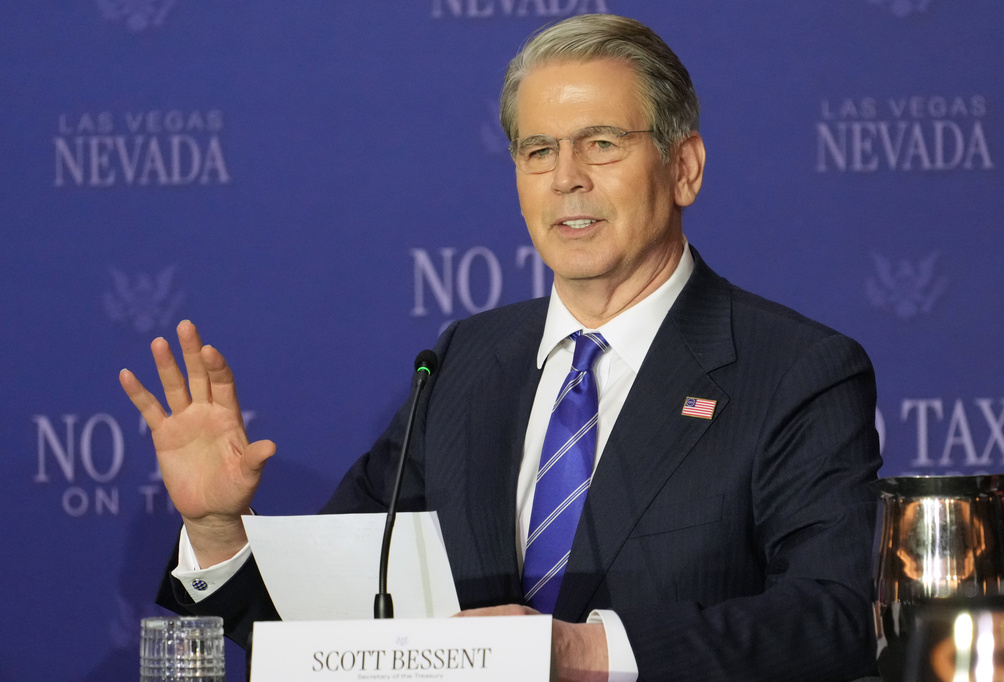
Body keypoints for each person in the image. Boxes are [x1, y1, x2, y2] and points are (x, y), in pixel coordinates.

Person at [120, 14, 882, 682]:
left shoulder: (796, 371)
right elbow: (325, 636)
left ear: (684, 168)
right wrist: (218, 531)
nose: (567, 179)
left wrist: (581, 653)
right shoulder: (463, 364)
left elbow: (835, 621)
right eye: (538, 150)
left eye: (603, 144)